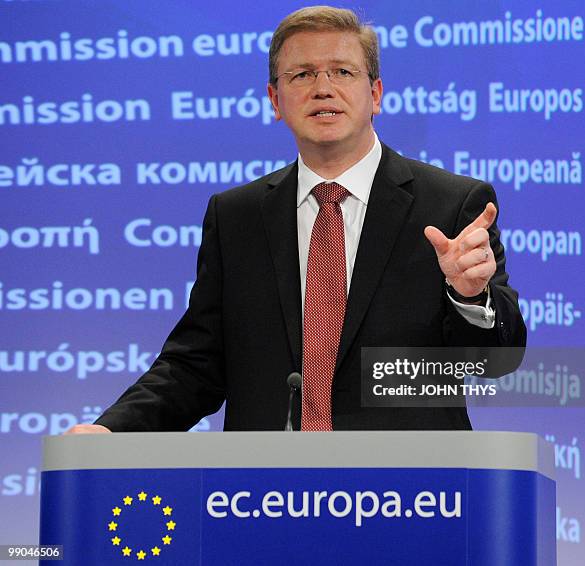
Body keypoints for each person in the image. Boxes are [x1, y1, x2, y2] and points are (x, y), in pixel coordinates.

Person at [67, 6, 526, 434]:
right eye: (302, 74)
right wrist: (112, 431)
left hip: (410, 496)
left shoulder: (450, 205)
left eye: (342, 72)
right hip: (266, 496)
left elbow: (493, 362)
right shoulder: (237, 216)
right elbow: (197, 364)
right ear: (274, 99)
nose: (322, 87)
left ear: (376, 93)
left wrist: (469, 297)